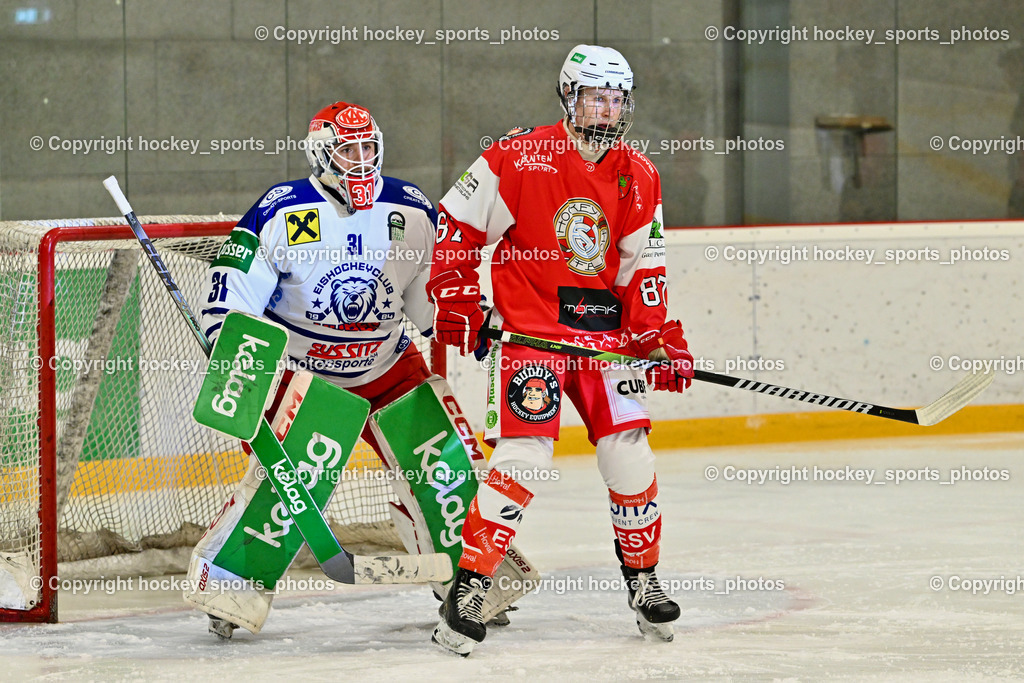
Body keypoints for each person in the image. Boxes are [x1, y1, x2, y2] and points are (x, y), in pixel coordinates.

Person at [427, 45, 695, 656]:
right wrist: (460, 298)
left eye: (617, 98)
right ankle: (469, 588)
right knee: (523, 457)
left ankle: (644, 581)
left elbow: (640, 267)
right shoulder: (516, 156)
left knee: (630, 453)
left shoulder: (640, 173)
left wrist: (655, 337)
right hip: (534, 337)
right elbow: (455, 225)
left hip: (605, 339)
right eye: (595, 96)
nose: (607, 109)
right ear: (569, 97)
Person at [191, 100, 437, 638]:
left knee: (438, 464)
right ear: (321, 151)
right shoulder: (281, 209)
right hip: (306, 372)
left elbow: (427, 296)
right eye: (348, 150)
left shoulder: (411, 209)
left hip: (387, 362)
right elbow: (234, 291)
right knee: (295, 477)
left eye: (368, 148)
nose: (361, 160)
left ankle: (467, 569)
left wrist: (453, 322)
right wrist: (225, 334)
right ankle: (231, 580)